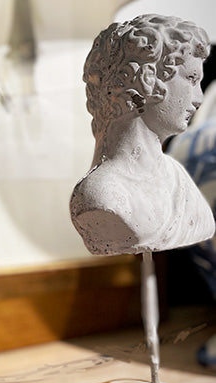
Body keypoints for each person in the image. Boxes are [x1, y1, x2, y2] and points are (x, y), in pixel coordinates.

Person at [70, 14, 215, 254]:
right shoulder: (101, 195)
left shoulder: (178, 178)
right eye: (191, 78)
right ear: (148, 79)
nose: (199, 98)